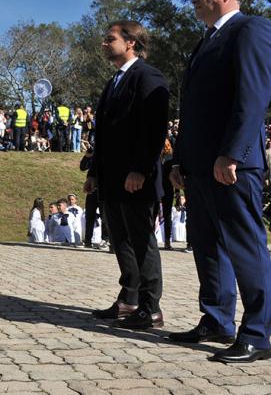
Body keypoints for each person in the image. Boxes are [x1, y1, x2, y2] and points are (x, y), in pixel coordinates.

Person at [168, 0, 271, 363]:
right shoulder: (203, 42)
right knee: (207, 248)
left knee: (246, 248)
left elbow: (253, 97)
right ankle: (216, 319)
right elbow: (191, 110)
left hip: (232, 164)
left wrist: (233, 153)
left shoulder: (250, 29)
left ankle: (259, 333)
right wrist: (178, 159)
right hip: (197, 166)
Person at [85, 20, 169, 330]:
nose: (105, 44)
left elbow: (153, 130)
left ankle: (151, 307)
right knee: (120, 240)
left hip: (136, 178)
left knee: (140, 240)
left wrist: (140, 169)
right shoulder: (113, 82)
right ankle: (129, 298)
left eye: (110, 39)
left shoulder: (148, 77)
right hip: (110, 178)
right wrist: (94, 172)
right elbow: (103, 134)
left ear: (130, 43)